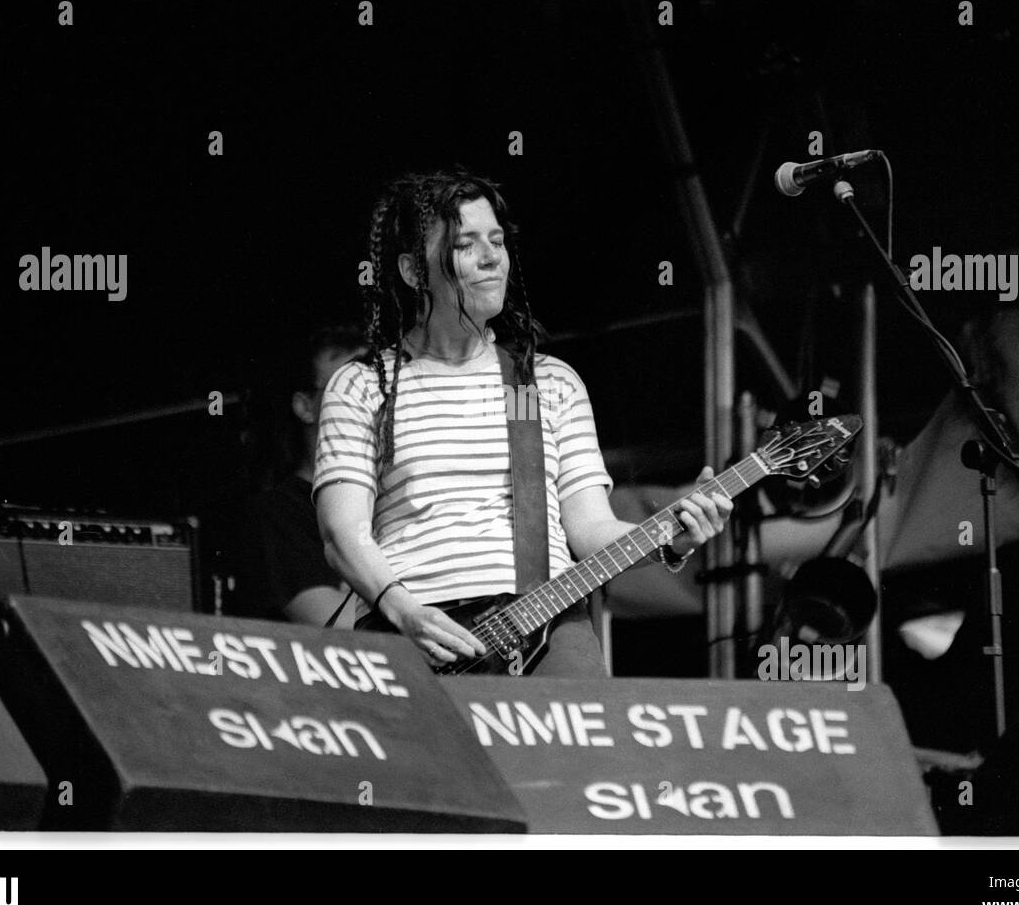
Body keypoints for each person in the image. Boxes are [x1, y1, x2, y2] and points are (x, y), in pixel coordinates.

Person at [313, 168, 732, 675]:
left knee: (585, 746)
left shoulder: (540, 385)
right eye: (467, 244)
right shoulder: (365, 385)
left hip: (547, 627)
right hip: (410, 634)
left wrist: (672, 536)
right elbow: (343, 532)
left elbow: (589, 529)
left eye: (497, 240)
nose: (493, 258)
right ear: (412, 271)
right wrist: (404, 612)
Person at [234, 324, 367, 625]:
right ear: (305, 407)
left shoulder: (398, 500)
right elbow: (335, 624)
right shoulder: (277, 514)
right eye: (348, 385)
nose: (368, 398)